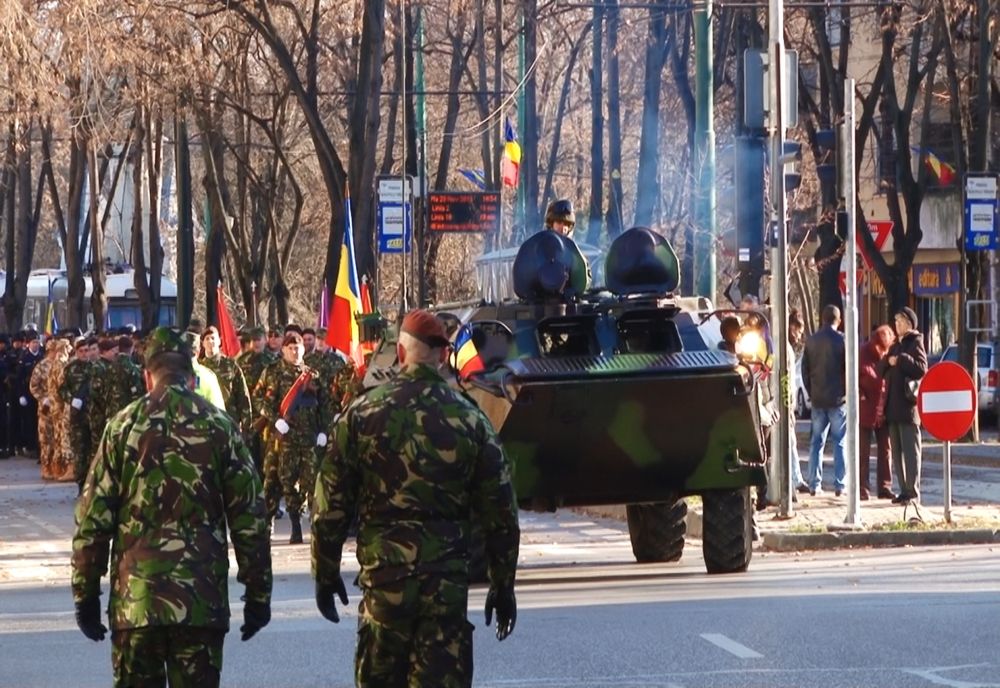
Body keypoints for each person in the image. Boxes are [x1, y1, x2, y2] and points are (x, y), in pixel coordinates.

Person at [312, 309, 520, 687]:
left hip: (384, 589)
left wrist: (324, 573)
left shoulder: (362, 414)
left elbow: (329, 507)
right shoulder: (470, 419)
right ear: (443, 357)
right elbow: (501, 511)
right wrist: (503, 584)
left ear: (402, 354)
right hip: (444, 593)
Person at [71, 327, 272, 688]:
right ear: (192, 378)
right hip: (200, 602)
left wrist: (85, 595)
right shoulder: (219, 426)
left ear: (148, 375)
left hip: (137, 603)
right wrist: (258, 594)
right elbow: (250, 517)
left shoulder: (123, 427)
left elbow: (93, 518)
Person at [255, 330, 328, 543]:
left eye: (298, 348)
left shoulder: (312, 375)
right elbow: (259, 399)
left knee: (310, 482)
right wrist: (275, 418)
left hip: (308, 438)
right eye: (291, 348)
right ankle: (279, 524)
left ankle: (307, 523)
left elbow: (324, 404)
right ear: (284, 350)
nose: (295, 351)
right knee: (280, 482)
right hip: (283, 439)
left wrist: (324, 429)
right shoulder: (272, 372)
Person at [878, 307, 928, 504]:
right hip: (893, 408)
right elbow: (880, 368)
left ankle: (913, 491)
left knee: (911, 452)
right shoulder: (895, 345)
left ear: (909, 323)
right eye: (895, 321)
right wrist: (888, 361)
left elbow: (921, 368)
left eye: (900, 321)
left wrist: (900, 360)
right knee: (897, 454)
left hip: (908, 408)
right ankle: (903, 490)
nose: (896, 324)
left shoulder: (915, 342)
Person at [801, 304, 847, 496]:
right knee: (840, 442)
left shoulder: (811, 341)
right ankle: (840, 484)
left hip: (818, 399)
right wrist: (845, 392)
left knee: (816, 443)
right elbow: (848, 369)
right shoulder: (842, 340)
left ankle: (814, 484)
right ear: (839, 320)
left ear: (822, 318)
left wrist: (811, 391)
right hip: (837, 399)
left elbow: (804, 370)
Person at [859, 324, 895, 500]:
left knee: (885, 449)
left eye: (885, 349)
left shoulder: (890, 354)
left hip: (884, 407)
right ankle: (862, 488)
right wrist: (859, 395)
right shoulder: (862, 353)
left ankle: (884, 487)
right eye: (880, 348)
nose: (883, 352)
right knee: (863, 450)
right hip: (865, 407)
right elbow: (850, 377)